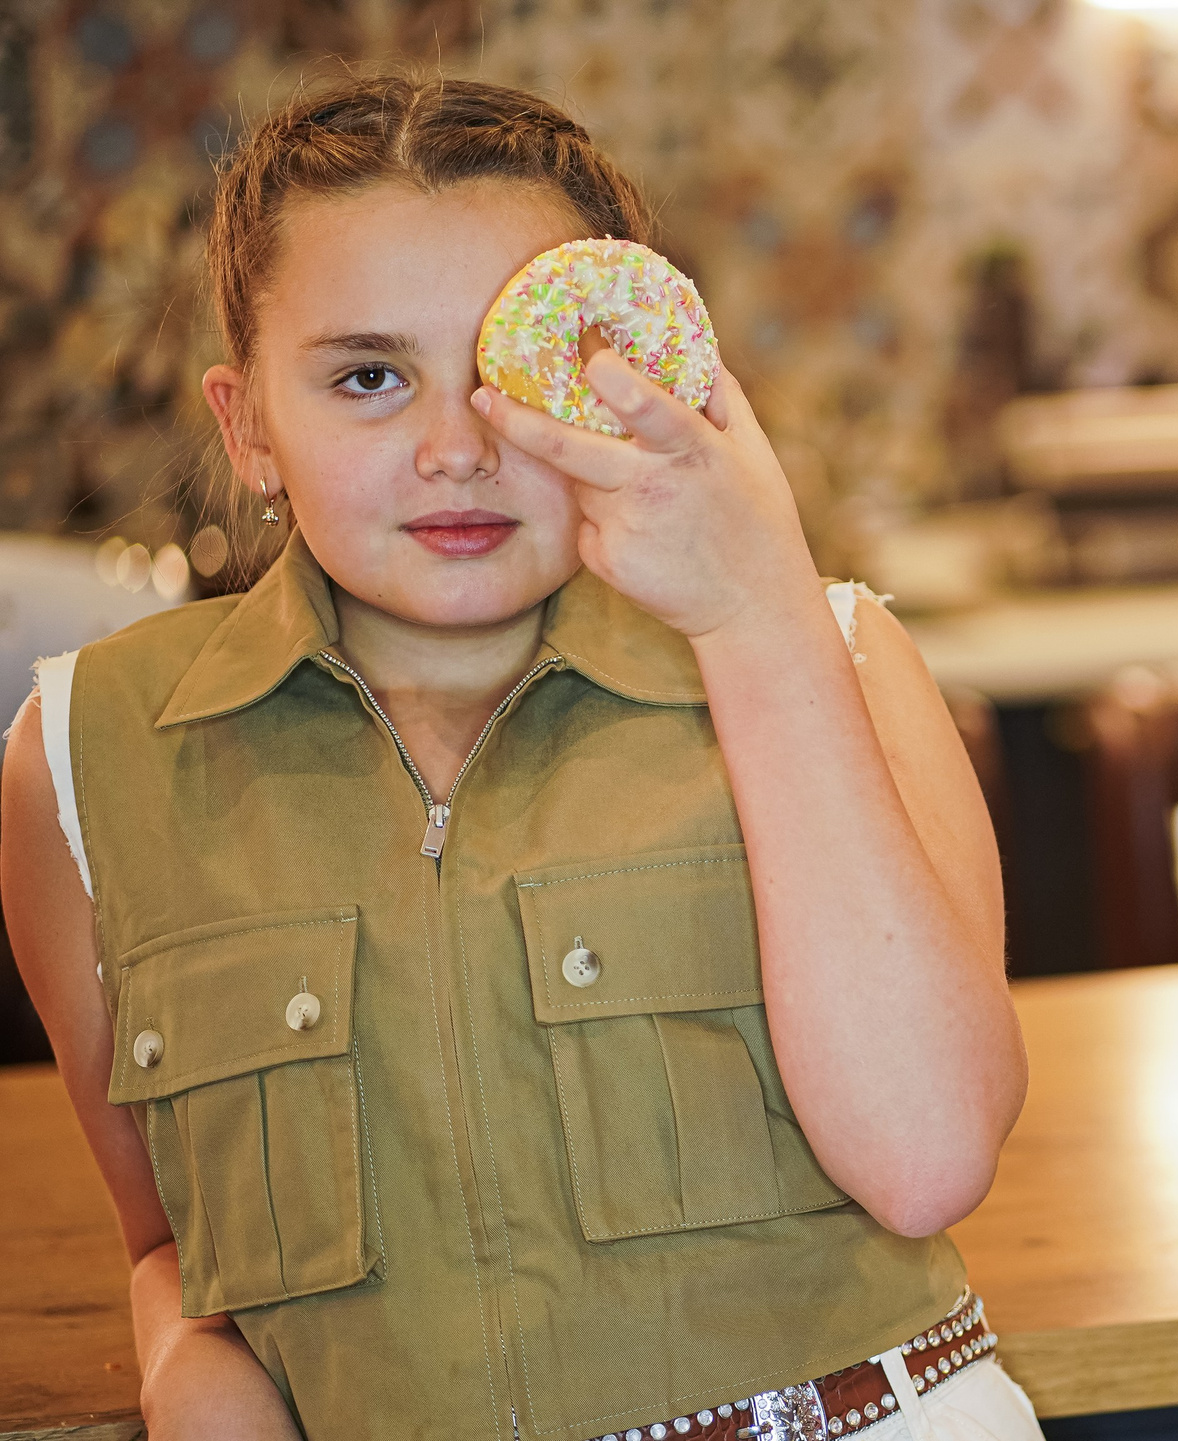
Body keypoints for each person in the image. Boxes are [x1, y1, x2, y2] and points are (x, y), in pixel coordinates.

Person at [0, 75, 1039, 1441]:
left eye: (514, 374)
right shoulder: (83, 758)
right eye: (369, 377)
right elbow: (173, 1239)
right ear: (250, 426)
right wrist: (187, 1363)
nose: (455, 448)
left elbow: (929, 1157)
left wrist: (757, 615)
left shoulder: (827, 654)